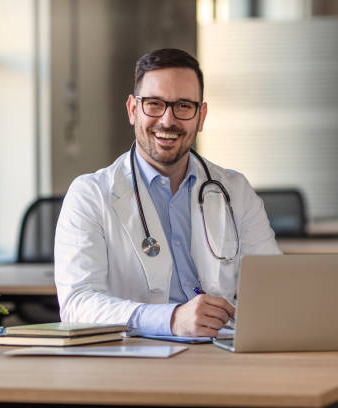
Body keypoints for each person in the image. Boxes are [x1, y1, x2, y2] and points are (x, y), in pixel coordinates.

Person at [54, 48, 281, 337]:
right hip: (133, 358)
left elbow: (272, 287)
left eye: (184, 106)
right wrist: (170, 319)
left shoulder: (236, 191)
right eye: (154, 104)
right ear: (133, 110)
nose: (167, 120)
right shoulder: (90, 195)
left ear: (201, 116)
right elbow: (77, 304)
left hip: (223, 352)